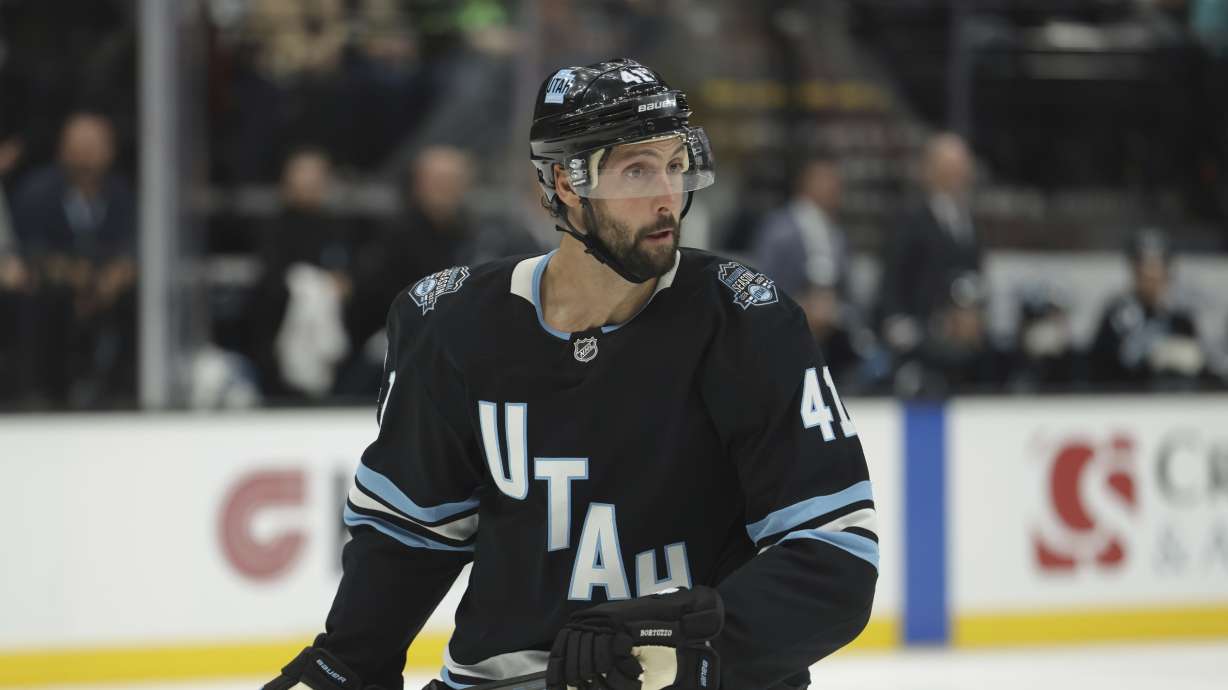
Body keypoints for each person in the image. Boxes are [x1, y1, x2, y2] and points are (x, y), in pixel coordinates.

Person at [264, 58, 877, 690]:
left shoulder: (747, 322)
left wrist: (687, 644)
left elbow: (835, 559)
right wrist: (346, 664)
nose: (667, 195)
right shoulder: (452, 323)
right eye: (637, 169)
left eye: (673, 164)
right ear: (565, 182)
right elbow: (408, 536)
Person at [878, 133, 982, 356]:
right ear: (930, 170)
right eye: (949, 166)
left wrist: (971, 312)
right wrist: (898, 324)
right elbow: (893, 278)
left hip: (959, 333)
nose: (958, 174)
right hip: (919, 331)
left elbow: (973, 275)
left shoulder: (968, 222)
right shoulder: (910, 220)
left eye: (961, 166)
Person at [1087, 228, 1206, 389]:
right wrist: (1148, 359)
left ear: (1166, 272)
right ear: (1134, 271)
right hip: (1129, 404)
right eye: (1144, 267)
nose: (1151, 275)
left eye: (1157, 267)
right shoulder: (1116, 316)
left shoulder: (1180, 319)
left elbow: (1200, 367)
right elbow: (1098, 368)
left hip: (1176, 405)